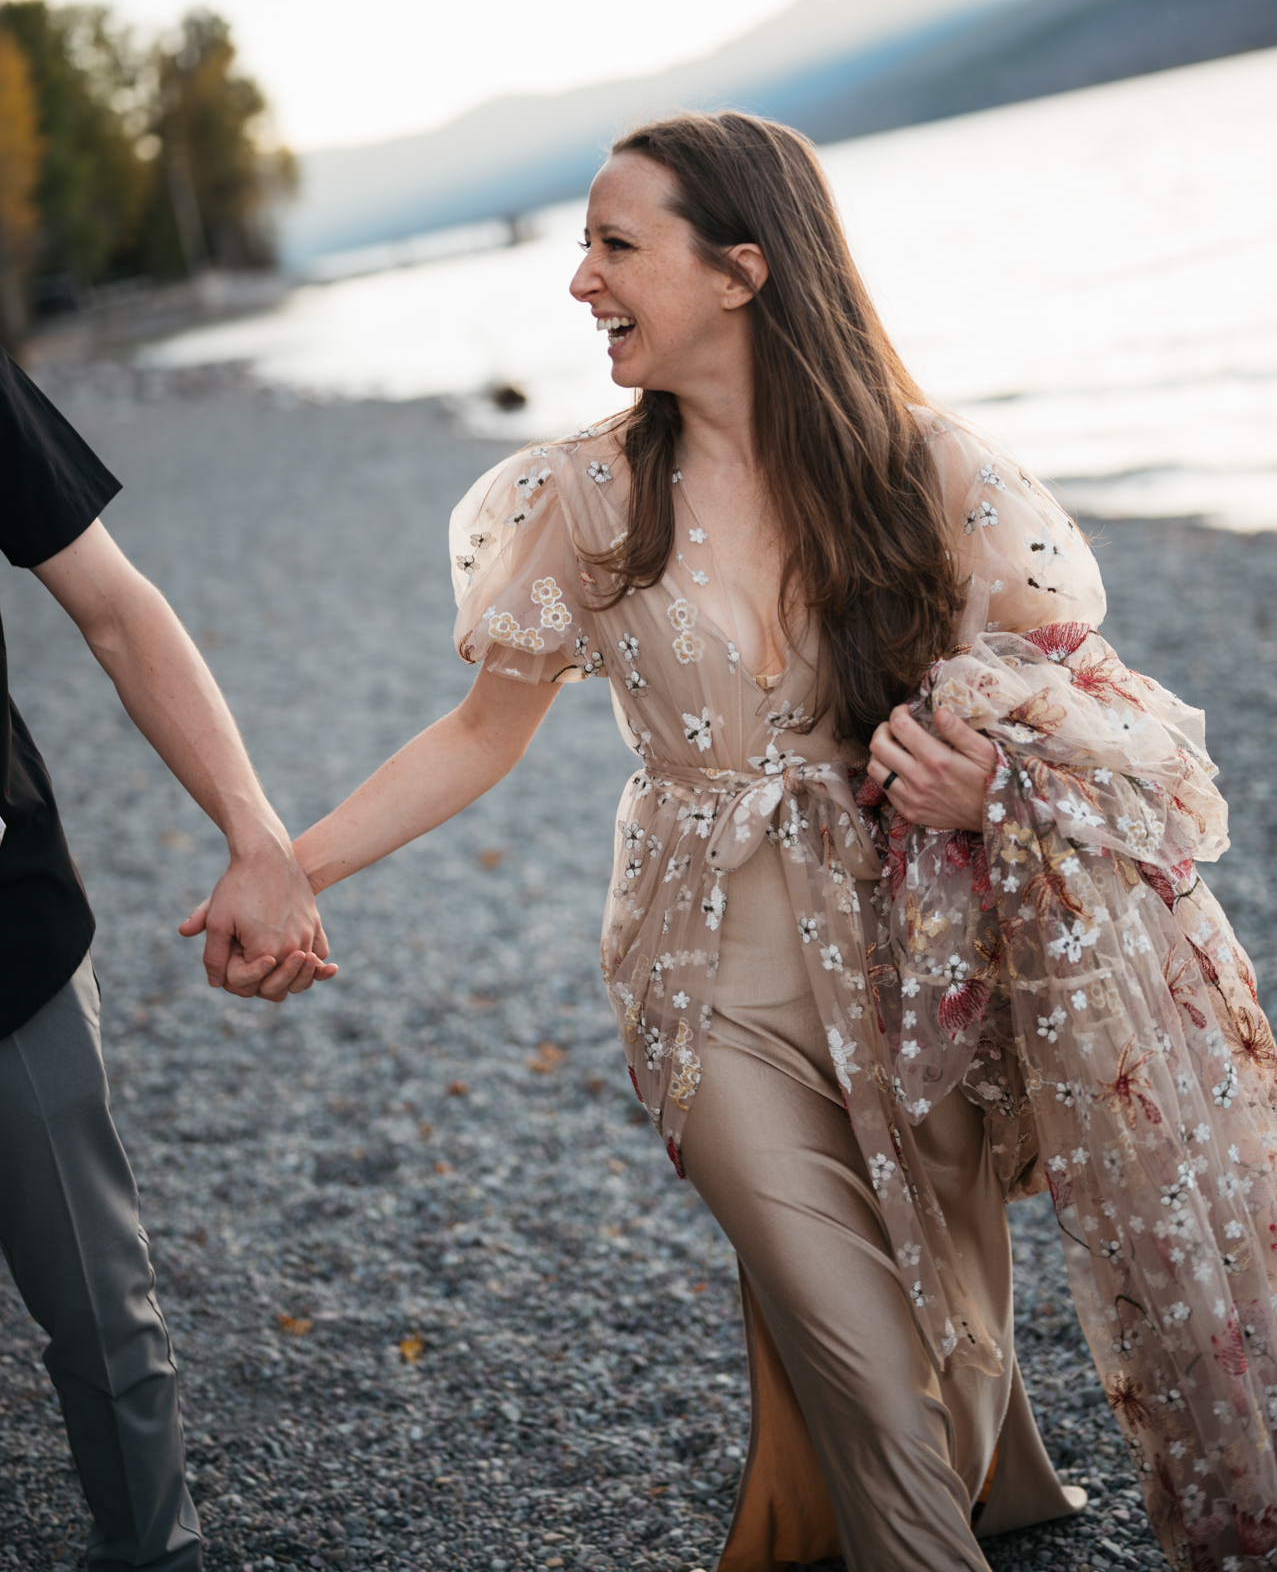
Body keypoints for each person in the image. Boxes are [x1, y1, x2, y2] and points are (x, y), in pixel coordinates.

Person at [193, 111, 1277, 1570]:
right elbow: (476, 735)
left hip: (918, 980)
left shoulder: (930, 472)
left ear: (742, 270)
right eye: (583, 247)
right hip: (701, 978)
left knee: (949, 1358)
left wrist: (983, 783)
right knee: (876, 1386)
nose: (580, 282)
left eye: (615, 246)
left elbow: (1104, 726)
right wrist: (287, 864)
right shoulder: (583, 497)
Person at [0, 346, 336, 1572]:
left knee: (100, 1311)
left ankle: (155, 1553)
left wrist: (258, 837)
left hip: (8, 939)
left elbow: (116, 609)